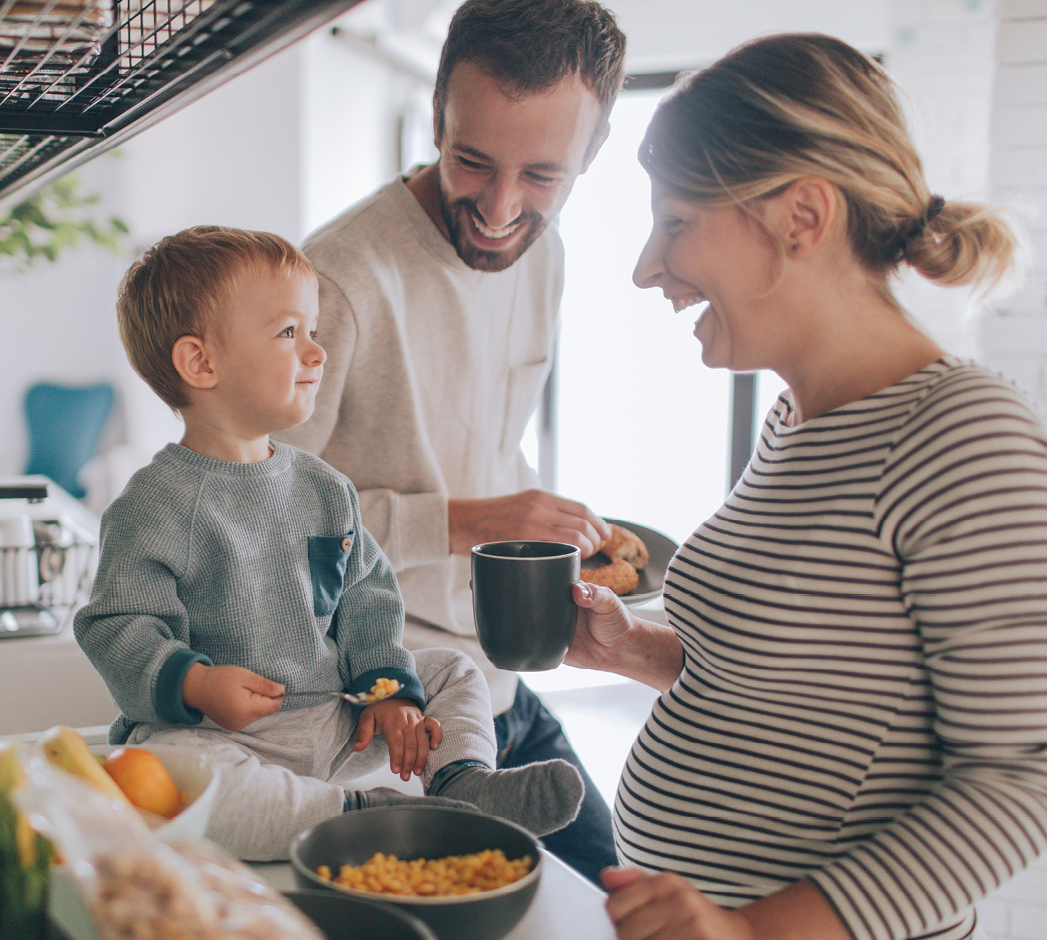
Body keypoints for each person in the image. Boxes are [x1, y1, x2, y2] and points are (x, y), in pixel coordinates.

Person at [561, 33, 1047, 940]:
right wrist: (642, 652)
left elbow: (1019, 779)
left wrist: (754, 930)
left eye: (675, 223)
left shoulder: (962, 437)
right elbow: (811, 691)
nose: (645, 268)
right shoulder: (801, 421)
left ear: (802, 217)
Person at [75, 226, 582, 861]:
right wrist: (198, 685)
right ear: (201, 363)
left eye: (313, 331)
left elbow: (367, 597)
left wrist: (387, 688)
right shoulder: (153, 505)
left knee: (454, 669)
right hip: (222, 736)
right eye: (290, 333)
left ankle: (463, 781)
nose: (318, 352)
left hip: (332, 715)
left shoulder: (323, 486)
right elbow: (116, 625)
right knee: (171, 773)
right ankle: (370, 816)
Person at [276, 0, 627, 884]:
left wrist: (542, 533)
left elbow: (481, 439)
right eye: (472, 160)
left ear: (594, 153)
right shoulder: (338, 278)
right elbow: (268, 525)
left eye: (543, 175)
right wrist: (469, 520)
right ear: (435, 115)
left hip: (498, 677)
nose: (501, 209)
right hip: (391, 704)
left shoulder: (542, 256)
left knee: (620, 889)